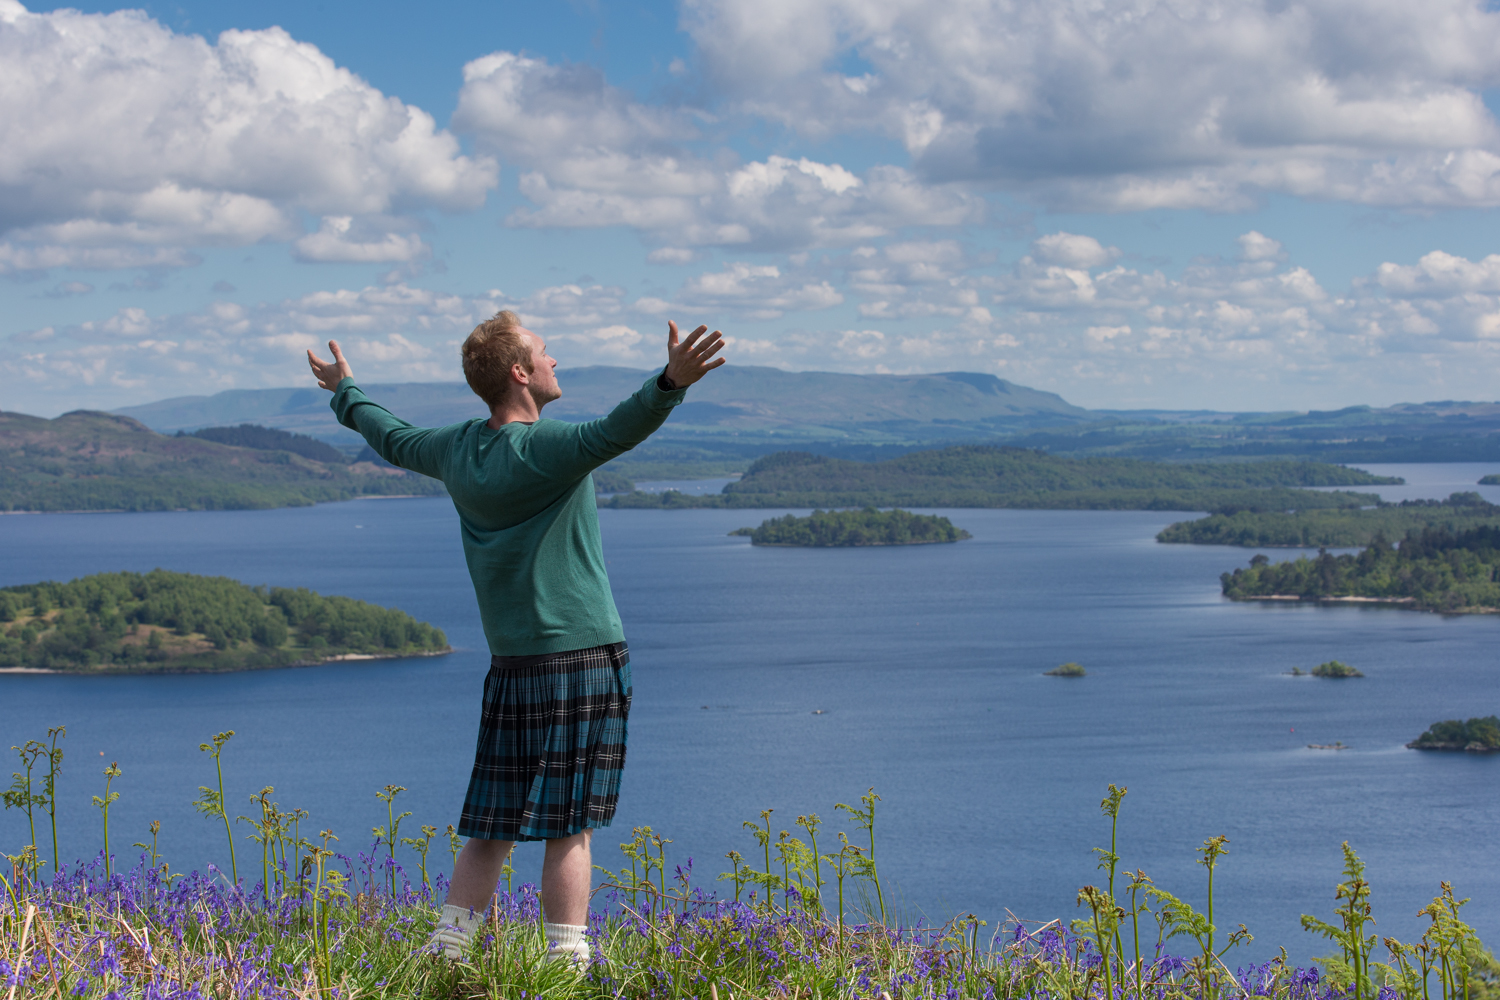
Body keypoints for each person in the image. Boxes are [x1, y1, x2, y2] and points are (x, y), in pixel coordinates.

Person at [305, 311, 725, 963]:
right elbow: (618, 429)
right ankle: (566, 963)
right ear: (520, 373)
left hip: (513, 662)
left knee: (492, 824)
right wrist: (670, 383)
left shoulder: (455, 449)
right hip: (581, 656)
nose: (556, 361)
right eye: (545, 352)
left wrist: (345, 390)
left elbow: (390, 436)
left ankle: (446, 953)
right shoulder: (545, 448)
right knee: (570, 826)